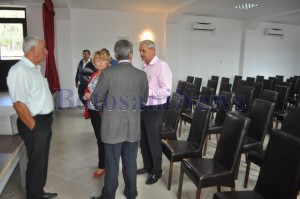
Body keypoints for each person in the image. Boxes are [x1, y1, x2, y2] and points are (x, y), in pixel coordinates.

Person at [90, 39, 148, 199]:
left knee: (112, 163)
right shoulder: (141, 75)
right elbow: (144, 100)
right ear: (131, 55)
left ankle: (108, 195)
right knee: (130, 162)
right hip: (133, 126)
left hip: (112, 126)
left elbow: (96, 100)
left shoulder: (108, 73)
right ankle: (131, 193)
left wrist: (107, 109)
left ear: (115, 54)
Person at [6, 36, 57, 199]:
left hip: (44, 121)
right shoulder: (19, 71)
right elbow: (19, 104)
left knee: (41, 161)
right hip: (34, 123)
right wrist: (35, 128)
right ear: (33, 49)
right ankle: (34, 196)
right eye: (44, 48)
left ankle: (39, 191)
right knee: (36, 162)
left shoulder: (34, 68)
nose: (47, 51)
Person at [137, 40, 172, 185]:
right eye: (139, 50)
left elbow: (167, 90)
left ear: (152, 50)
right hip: (144, 107)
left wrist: (147, 92)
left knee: (153, 140)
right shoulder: (145, 66)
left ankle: (156, 171)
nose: (141, 53)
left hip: (156, 109)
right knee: (144, 139)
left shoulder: (162, 66)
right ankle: (147, 166)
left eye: (143, 50)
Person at [83, 49, 111, 178]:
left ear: (108, 61)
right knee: (99, 138)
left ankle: (103, 165)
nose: (100, 62)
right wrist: (87, 95)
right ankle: (105, 163)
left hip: (103, 112)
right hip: (94, 111)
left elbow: (111, 95)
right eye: (98, 60)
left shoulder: (110, 74)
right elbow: (90, 89)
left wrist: (91, 96)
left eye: (103, 60)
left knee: (102, 139)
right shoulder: (95, 74)